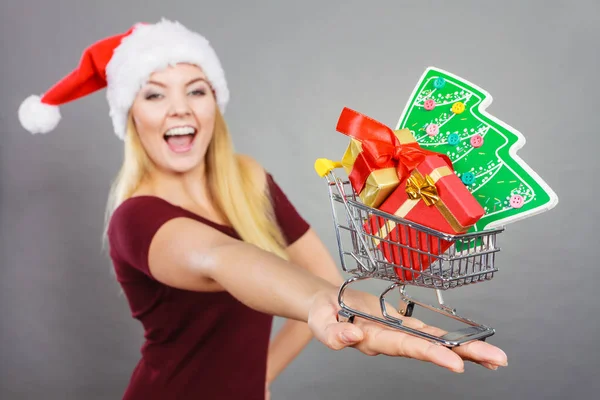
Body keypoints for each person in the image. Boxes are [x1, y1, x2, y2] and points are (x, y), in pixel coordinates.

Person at [18, 18, 508, 400]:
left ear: (214, 103)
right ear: (132, 115)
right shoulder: (136, 218)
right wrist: (322, 303)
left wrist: (262, 375)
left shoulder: (251, 183)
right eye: (153, 94)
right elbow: (223, 259)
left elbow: (326, 279)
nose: (179, 109)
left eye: (195, 90)